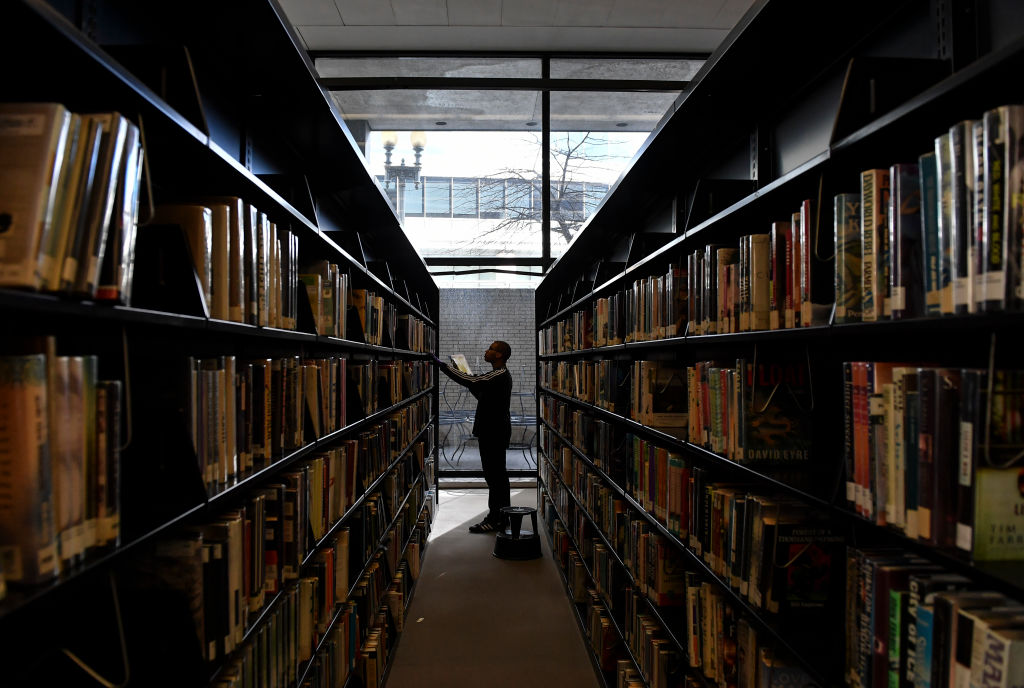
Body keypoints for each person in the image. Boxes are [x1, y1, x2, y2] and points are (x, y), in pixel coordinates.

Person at [432, 341, 513, 533]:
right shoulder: (497, 376)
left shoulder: (499, 374)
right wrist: (463, 372)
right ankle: (501, 516)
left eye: (491, 349)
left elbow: (473, 382)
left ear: (499, 355)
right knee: (496, 476)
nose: (487, 351)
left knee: (495, 477)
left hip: (494, 432)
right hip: (492, 430)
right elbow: (479, 391)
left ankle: (496, 519)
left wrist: (443, 366)